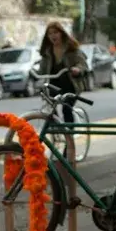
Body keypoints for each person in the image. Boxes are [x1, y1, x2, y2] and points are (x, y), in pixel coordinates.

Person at [36, 22, 88, 157]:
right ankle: (58, 132)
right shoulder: (47, 52)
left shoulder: (71, 48)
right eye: (50, 33)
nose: (53, 36)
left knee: (66, 109)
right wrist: (35, 72)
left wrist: (77, 69)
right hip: (53, 85)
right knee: (51, 110)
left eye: (56, 32)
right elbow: (42, 69)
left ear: (62, 33)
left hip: (70, 85)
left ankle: (69, 144)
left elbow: (83, 64)